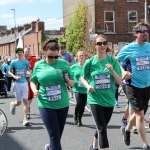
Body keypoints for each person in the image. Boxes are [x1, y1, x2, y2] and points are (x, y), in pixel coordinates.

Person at [30, 39, 74, 150]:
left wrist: (68, 81)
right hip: (45, 103)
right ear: (45, 52)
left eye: (56, 57)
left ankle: (51, 147)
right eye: (50, 57)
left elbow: (73, 82)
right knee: (54, 135)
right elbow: (33, 81)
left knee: (57, 135)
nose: (53, 59)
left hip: (62, 103)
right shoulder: (38, 65)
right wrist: (35, 90)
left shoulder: (63, 63)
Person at [80, 34, 122, 150]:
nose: (102, 45)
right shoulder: (90, 62)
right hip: (95, 99)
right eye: (99, 43)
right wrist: (88, 86)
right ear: (95, 46)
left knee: (102, 126)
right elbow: (82, 77)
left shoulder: (112, 61)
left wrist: (112, 71)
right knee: (102, 128)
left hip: (109, 99)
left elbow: (119, 81)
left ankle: (94, 146)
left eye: (104, 43)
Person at [116, 22, 150, 150]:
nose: (145, 33)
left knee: (137, 114)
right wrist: (123, 72)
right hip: (132, 85)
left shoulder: (149, 47)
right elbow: (116, 61)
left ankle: (127, 129)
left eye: (146, 31)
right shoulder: (128, 48)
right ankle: (145, 145)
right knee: (140, 115)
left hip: (147, 85)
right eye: (142, 31)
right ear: (135, 34)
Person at [8, 47, 30, 126]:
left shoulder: (26, 62)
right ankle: (13, 104)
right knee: (19, 102)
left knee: (26, 101)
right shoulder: (13, 62)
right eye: (18, 52)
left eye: (21, 52)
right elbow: (9, 72)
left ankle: (25, 119)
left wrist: (29, 73)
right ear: (16, 54)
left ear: (23, 54)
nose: (20, 53)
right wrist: (15, 77)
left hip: (24, 83)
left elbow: (27, 69)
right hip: (16, 83)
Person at [70, 51, 87, 127]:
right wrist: (70, 83)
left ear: (85, 57)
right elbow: (69, 75)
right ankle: (75, 115)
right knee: (79, 103)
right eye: (79, 55)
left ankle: (80, 119)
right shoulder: (73, 67)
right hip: (76, 88)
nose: (81, 57)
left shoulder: (87, 66)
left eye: (82, 55)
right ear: (77, 57)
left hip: (85, 89)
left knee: (83, 106)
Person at [24, 47, 38, 119]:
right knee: (26, 96)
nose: (27, 53)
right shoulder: (21, 60)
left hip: (31, 80)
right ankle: (27, 109)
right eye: (25, 52)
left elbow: (36, 69)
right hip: (23, 81)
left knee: (31, 96)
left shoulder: (34, 60)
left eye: (28, 52)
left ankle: (28, 108)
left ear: (30, 53)